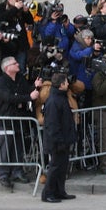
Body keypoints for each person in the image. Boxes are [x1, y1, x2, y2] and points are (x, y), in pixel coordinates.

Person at [0, 56, 41, 189]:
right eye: (15, 63)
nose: (18, 65)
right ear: (7, 67)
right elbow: (8, 97)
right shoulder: (0, 82)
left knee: (18, 146)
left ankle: (17, 171)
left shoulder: (20, 79)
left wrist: (35, 87)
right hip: (5, 119)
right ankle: (3, 174)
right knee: (5, 147)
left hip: (19, 119)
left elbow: (26, 91)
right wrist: (28, 97)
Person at [41, 73, 77, 203]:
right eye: (66, 82)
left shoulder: (60, 97)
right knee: (55, 167)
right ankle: (48, 193)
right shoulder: (54, 100)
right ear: (61, 85)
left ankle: (59, 191)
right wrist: (59, 141)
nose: (68, 84)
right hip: (56, 141)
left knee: (62, 167)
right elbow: (52, 124)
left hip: (63, 139)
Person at [0, 0, 34, 74]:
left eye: (19, 1)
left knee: (21, 69)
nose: (18, 3)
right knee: (7, 69)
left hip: (21, 45)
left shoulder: (20, 9)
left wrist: (26, 12)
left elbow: (30, 21)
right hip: (7, 44)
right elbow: (2, 18)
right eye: (16, 1)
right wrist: (15, 8)